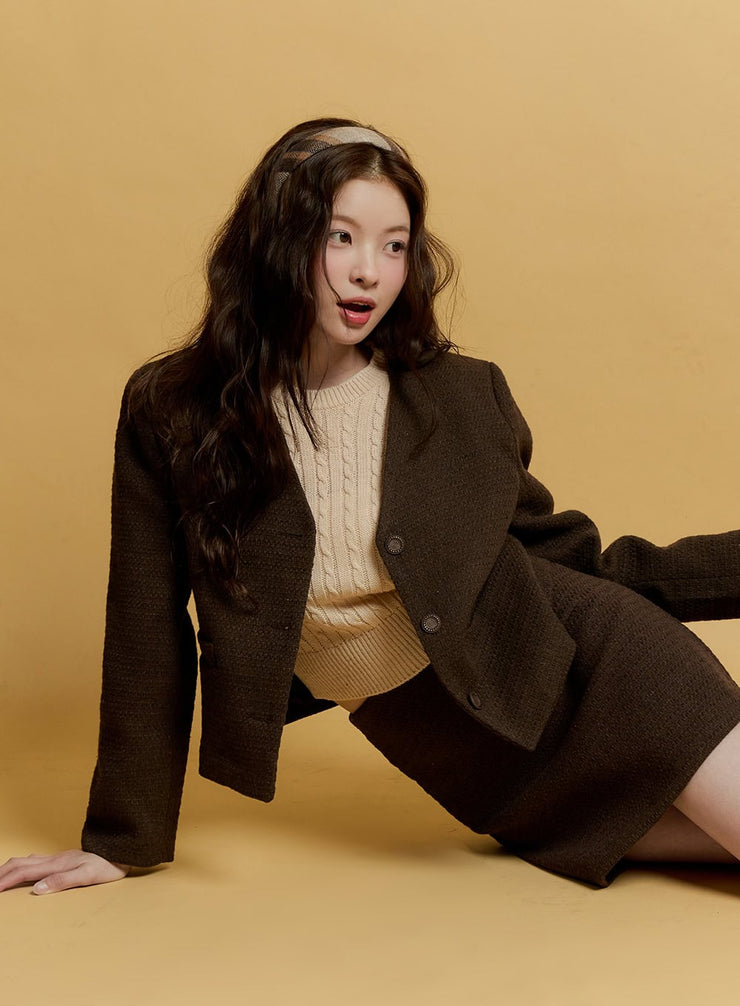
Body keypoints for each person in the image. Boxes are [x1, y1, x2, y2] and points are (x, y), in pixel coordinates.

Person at [2, 117, 740, 897]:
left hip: (610, 677)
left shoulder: (458, 396)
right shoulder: (174, 412)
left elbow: (571, 564)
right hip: (479, 767)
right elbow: (146, 626)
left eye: (395, 245)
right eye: (342, 237)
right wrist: (122, 838)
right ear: (276, 237)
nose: (369, 273)